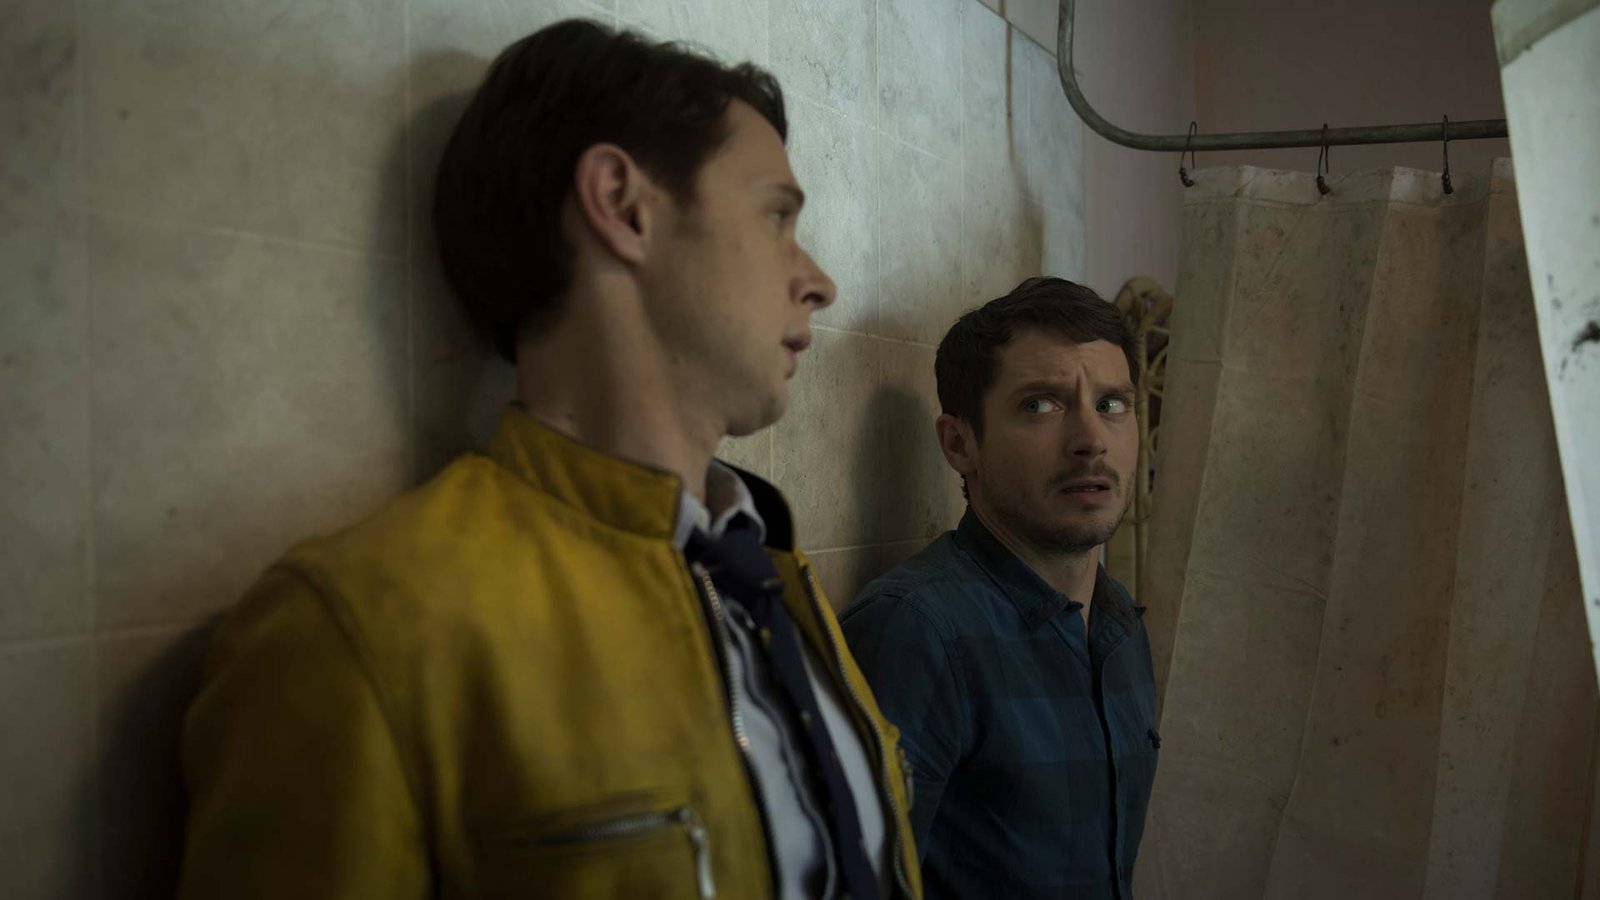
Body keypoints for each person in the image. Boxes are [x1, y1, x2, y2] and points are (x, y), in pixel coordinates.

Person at [178, 19, 920, 899]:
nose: (820, 281)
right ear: (623, 204)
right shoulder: (361, 633)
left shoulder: (767, 575)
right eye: (777, 216)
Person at [841, 277, 1157, 899]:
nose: (1091, 439)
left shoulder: (1118, 621)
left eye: (1112, 404)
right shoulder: (916, 633)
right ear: (960, 444)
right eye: (1041, 405)